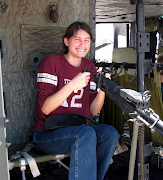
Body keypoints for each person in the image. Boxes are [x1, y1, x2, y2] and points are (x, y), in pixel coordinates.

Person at [32, 21, 119, 180]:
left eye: (87, 40)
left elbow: (94, 111)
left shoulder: (89, 65)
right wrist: (73, 84)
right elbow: (45, 109)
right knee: (85, 133)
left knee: (109, 133)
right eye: (77, 39)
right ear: (66, 41)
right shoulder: (51, 62)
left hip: (79, 130)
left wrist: (102, 88)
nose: (82, 44)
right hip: (46, 134)